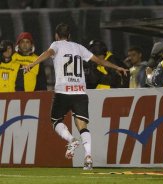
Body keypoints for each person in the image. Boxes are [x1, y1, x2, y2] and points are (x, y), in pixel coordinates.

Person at [22, 23, 128, 170]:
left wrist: (31, 64)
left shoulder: (57, 44)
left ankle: (71, 139)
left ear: (56, 35)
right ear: (70, 36)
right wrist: (117, 67)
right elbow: (99, 61)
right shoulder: (79, 47)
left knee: (55, 120)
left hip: (63, 91)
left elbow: (48, 53)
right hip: (80, 92)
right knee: (82, 126)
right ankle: (88, 157)